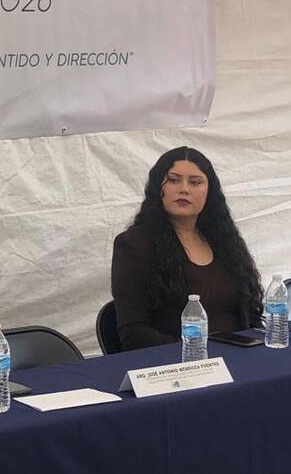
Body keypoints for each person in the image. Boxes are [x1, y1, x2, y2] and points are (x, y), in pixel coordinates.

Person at [110, 147, 264, 351]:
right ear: (158, 189)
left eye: (195, 182)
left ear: (209, 192)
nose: (184, 189)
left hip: (240, 354)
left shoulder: (224, 240)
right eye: (174, 180)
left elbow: (249, 313)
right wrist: (196, 353)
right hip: (180, 360)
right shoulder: (133, 244)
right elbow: (134, 332)